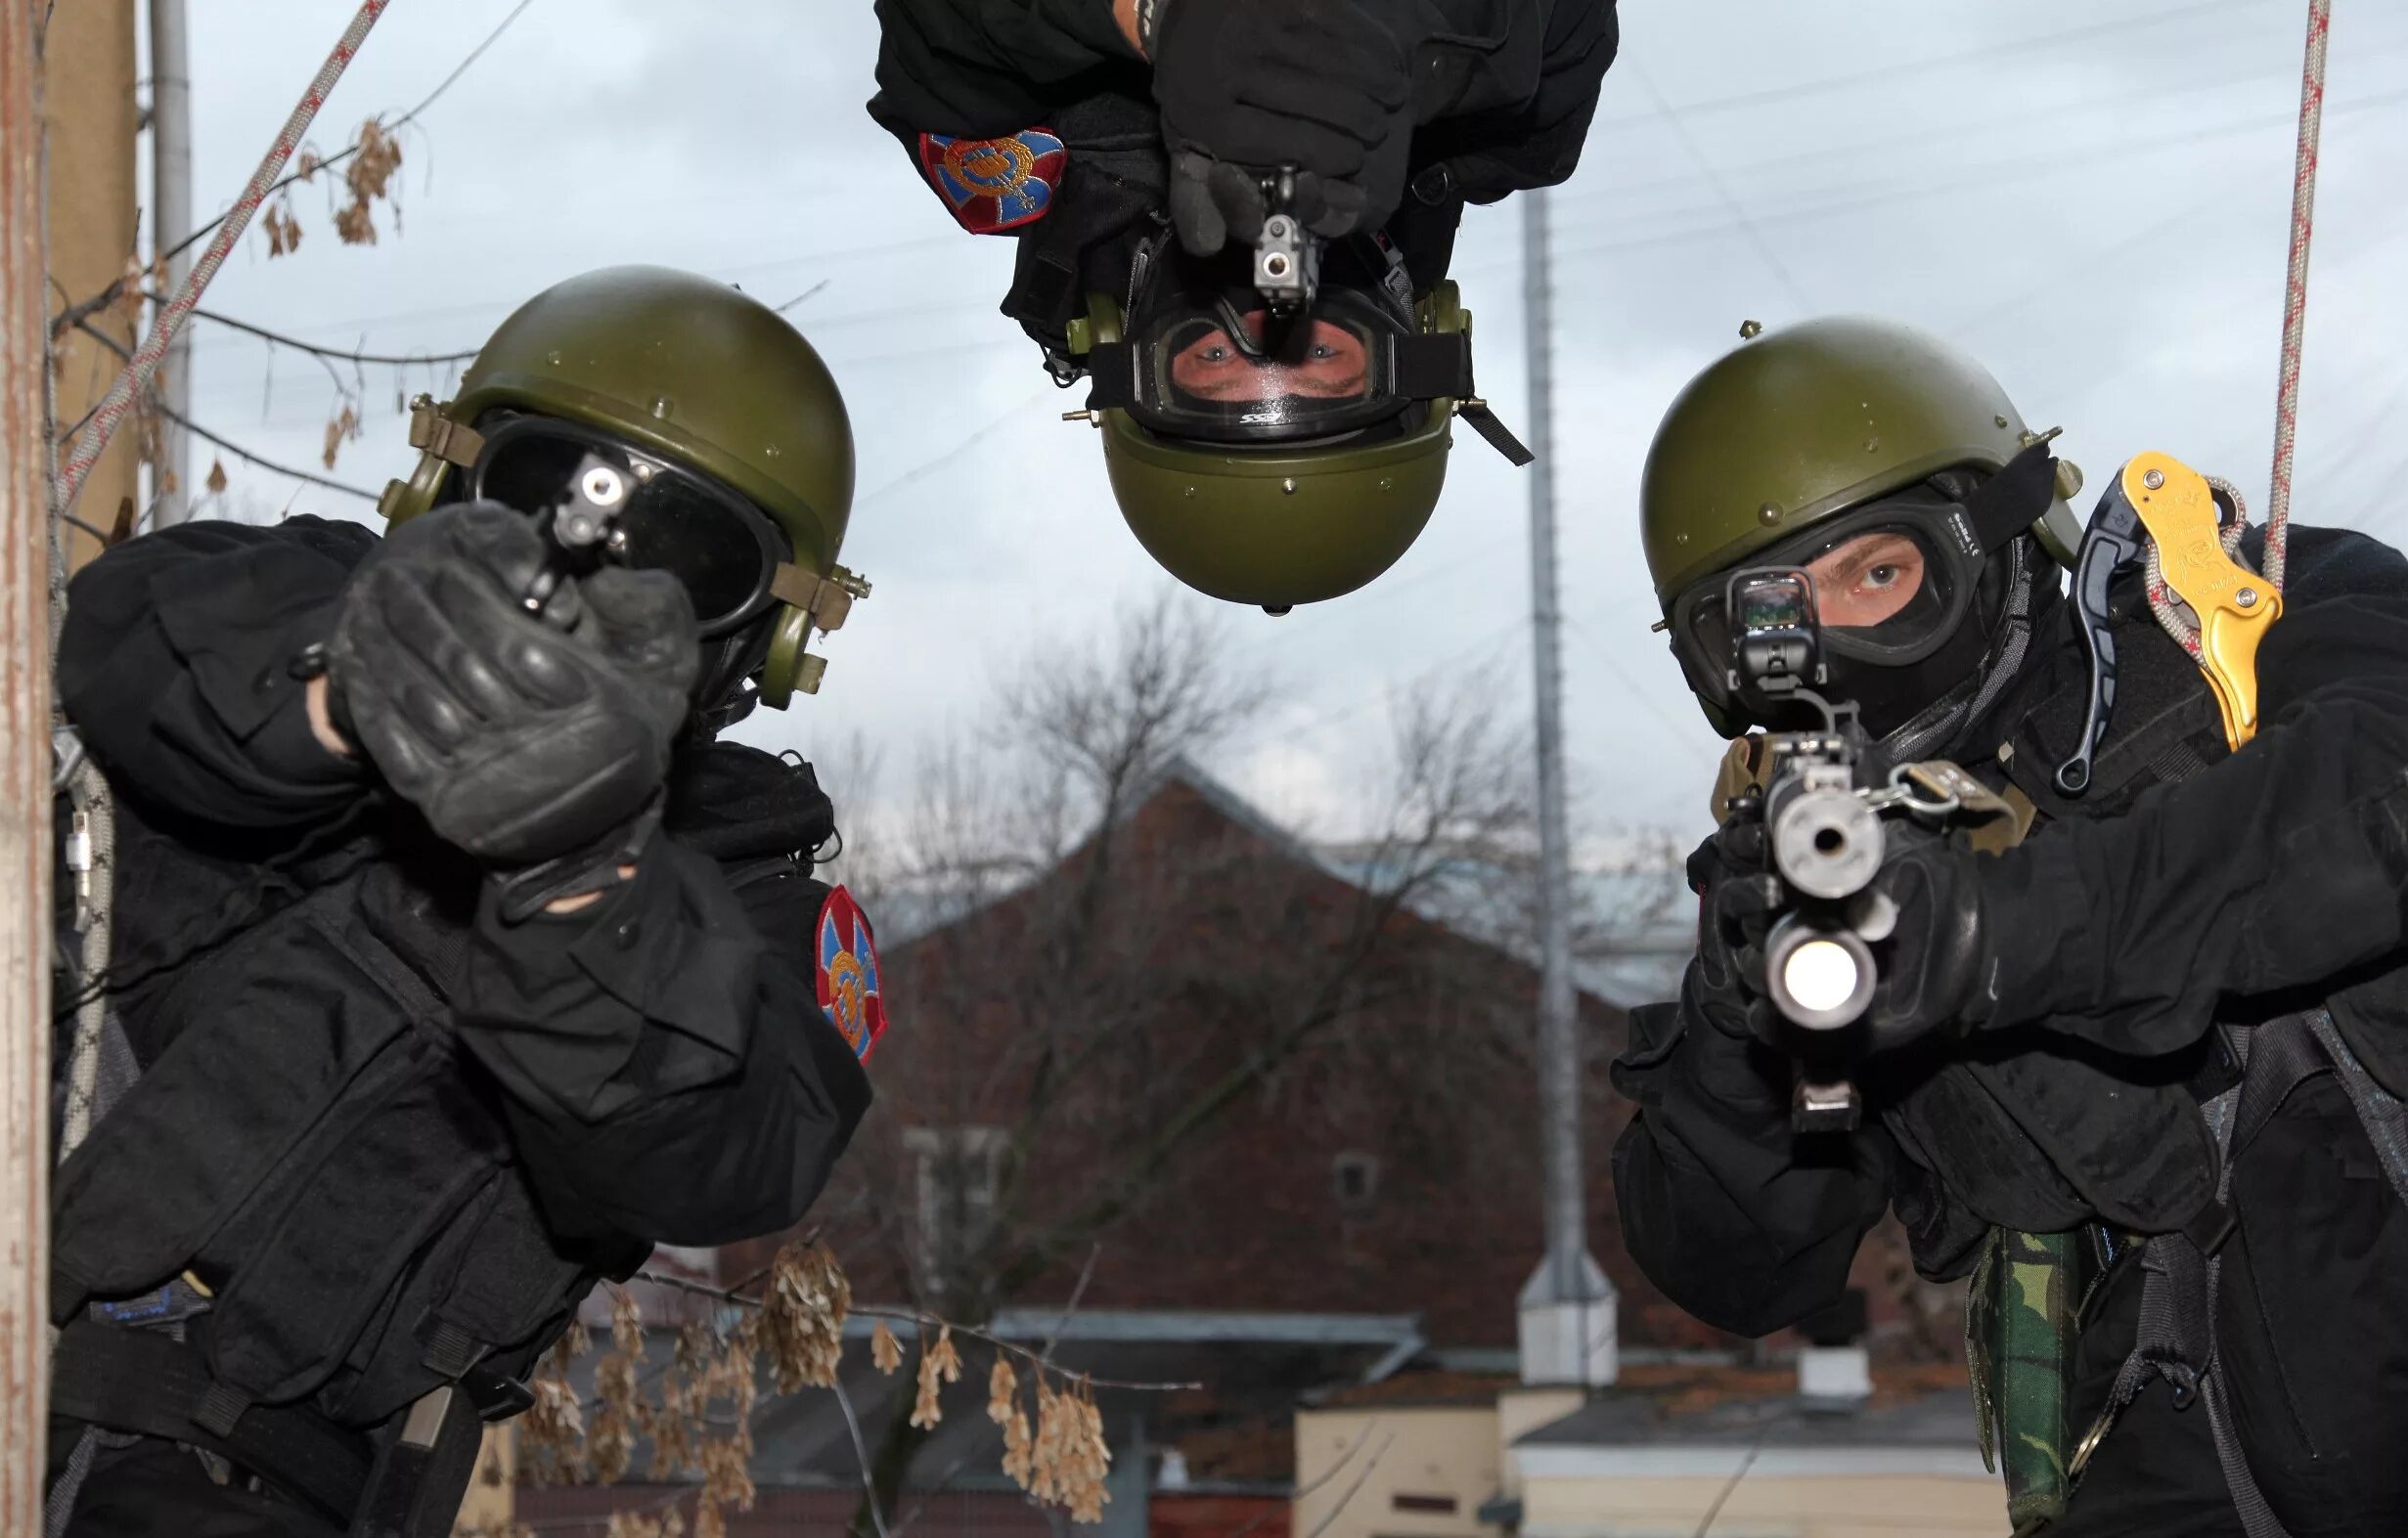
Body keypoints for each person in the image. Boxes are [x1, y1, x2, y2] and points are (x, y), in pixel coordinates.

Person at [1609, 316, 2408, 1537]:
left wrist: (1984, 934)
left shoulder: (2232, 618)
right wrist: (1739, 1028)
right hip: (2167, 1434)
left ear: (1993, 532)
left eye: (1877, 574)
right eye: (1769, 620)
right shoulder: (1801, 874)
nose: (1830, 646)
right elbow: (1735, 1268)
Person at [45, 265, 886, 1538]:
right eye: (543, 490)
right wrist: (351, 689)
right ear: (446, 485)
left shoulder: (748, 902)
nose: (594, 568)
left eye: (686, 558)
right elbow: (132, 649)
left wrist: (580, 875)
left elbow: (729, 1147)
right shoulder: (296, 596)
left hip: (239, 1481)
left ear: (762, 634)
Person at [868, 0, 1618, 611]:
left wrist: (1155, 16)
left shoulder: (997, 141)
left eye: (1217, 357)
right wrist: (1396, 32)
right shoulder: (1516, 123)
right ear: (1412, 328)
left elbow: (934, 33)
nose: (1266, 318)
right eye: (1319, 354)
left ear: (1130, 346)